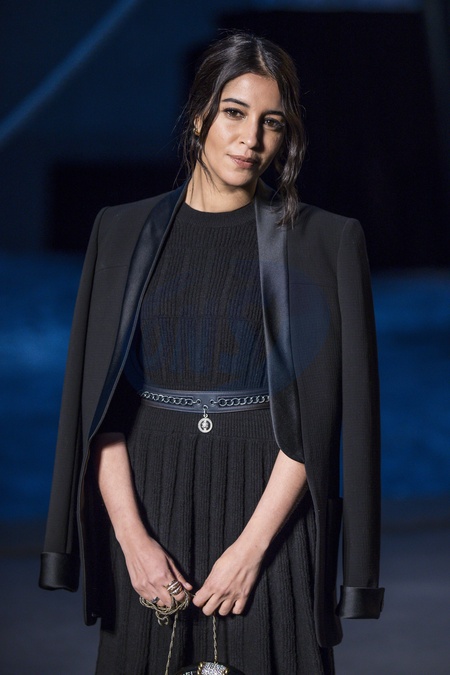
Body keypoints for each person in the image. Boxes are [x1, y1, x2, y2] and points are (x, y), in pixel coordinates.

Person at [39, 31, 384, 675]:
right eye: (234, 112)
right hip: (149, 508)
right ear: (199, 114)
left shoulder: (323, 242)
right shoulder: (119, 231)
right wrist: (133, 542)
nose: (251, 138)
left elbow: (319, 416)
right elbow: (102, 410)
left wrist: (251, 552)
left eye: (271, 122)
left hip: (270, 519)